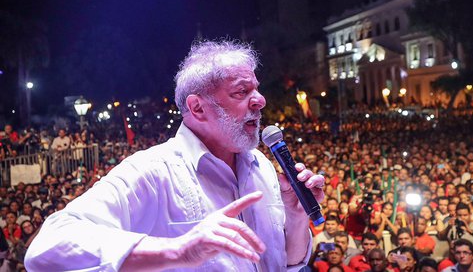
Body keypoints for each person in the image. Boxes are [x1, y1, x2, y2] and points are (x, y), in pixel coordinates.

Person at [24, 40, 325, 271]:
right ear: (197, 108)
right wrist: (178, 250)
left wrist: (297, 218)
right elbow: (47, 248)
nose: (260, 100)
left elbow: (289, 263)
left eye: (256, 89)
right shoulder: (153, 171)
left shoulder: (261, 167)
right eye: (241, 92)